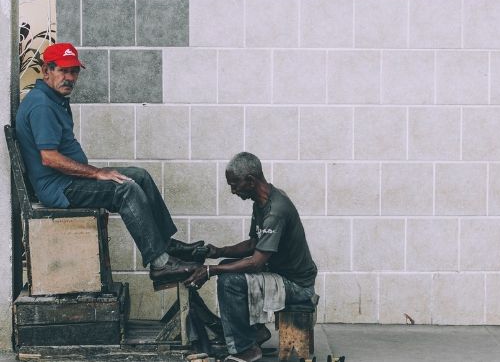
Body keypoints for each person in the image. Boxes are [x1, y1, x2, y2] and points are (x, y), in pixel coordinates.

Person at [15, 42, 202, 290]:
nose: (70, 78)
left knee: (139, 176)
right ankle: (160, 264)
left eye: (74, 71)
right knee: (125, 189)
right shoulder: (42, 105)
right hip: (59, 188)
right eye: (63, 71)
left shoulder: (54, 98)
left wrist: (95, 174)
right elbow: (50, 158)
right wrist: (96, 173)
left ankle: (165, 246)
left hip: (69, 181)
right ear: (46, 70)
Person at [185, 152, 318, 362]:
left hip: (298, 286)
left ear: (250, 180)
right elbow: (254, 245)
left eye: (235, 184)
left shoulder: (276, 210)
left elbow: (256, 262)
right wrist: (219, 251)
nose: (232, 190)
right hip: (280, 274)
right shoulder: (262, 202)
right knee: (227, 265)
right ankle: (256, 332)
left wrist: (211, 271)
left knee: (229, 280)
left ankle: (245, 349)